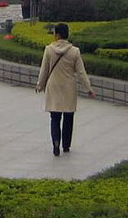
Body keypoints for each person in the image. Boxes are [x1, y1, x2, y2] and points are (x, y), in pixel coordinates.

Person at [35, 22, 95, 156]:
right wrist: (88, 88)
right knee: (68, 117)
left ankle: (56, 143)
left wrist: (40, 84)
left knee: (55, 118)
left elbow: (44, 70)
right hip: (69, 87)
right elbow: (81, 73)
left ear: (57, 35)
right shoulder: (74, 51)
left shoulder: (49, 49)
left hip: (53, 86)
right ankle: (66, 145)